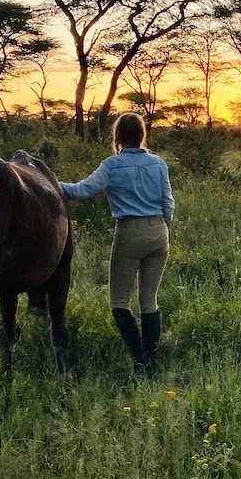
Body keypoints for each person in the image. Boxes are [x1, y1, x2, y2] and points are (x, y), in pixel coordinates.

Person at [60, 113, 174, 371]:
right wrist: (162, 225)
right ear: (142, 135)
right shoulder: (159, 163)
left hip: (129, 232)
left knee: (119, 302)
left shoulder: (112, 166)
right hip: (159, 231)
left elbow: (81, 191)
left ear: (118, 136)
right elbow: (168, 203)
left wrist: (45, 183)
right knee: (149, 300)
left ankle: (140, 359)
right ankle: (151, 359)